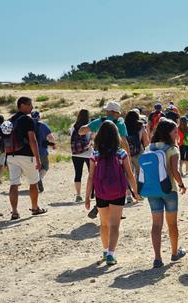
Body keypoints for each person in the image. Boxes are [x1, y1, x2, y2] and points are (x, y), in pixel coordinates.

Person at [84, 121, 140, 266]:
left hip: (101, 193)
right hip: (118, 192)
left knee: (104, 224)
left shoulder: (95, 155)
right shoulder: (121, 153)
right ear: (116, 136)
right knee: (115, 225)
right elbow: (130, 174)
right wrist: (135, 192)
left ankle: (105, 250)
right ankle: (111, 254)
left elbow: (90, 177)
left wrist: (87, 197)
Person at [146, 118, 187, 268]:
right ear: (168, 133)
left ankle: (157, 258)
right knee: (172, 224)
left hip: (152, 190)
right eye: (175, 131)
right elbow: (175, 171)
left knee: (156, 225)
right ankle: (175, 253)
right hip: (169, 190)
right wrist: (182, 184)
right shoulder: (172, 149)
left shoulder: (149, 148)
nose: (177, 134)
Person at [5, 97, 46, 220]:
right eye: (29, 105)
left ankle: (15, 212)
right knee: (33, 182)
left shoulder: (10, 120)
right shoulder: (27, 120)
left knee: (14, 184)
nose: (32, 107)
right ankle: (35, 208)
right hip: (27, 155)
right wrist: (38, 159)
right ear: (22, 105)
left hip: (11, 155)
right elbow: (32, 140)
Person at [125, 109, 150, 202]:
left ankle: (128, 195)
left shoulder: (123, 125)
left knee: (127, 173)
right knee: (140, 173)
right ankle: (138, 193)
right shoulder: (141, 126)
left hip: (126, 153)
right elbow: (146, 142)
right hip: (139, 151)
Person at [70, 109, 93, 203]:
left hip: (76, 153)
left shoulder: (73, 126)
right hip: (88, 153)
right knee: (91, 174)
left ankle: (78, 195)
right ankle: (91, 193)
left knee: (78, 174)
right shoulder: (89, 127)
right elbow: (92, 138)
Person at [31, 111, 56, 193]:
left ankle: (35, 181)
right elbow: (50, 137)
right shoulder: (43, 125)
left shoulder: (29, 125)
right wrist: (53, 144)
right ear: (39, 117)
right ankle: (39, 179)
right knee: (45, 166)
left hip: (30, 151)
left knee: (35, 167)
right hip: (42, 151)